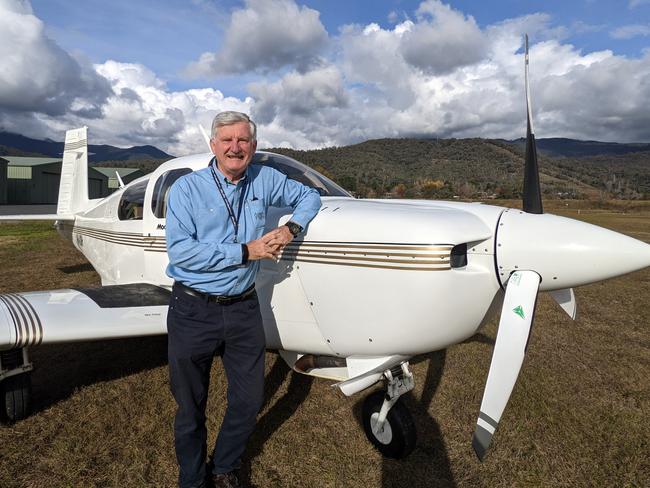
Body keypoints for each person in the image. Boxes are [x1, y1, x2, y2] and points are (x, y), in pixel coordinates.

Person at [165, 111, 321, 488]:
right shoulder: (187, 190)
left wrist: (291, 228)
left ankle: (224, 467)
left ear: (253, 145)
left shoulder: (265, 179)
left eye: (244, 140)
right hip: (193, 309)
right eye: (227, 140)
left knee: (249, 401)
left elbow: (310, 195)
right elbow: (181, 252)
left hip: (244, 308)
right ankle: (192, 477)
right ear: (213, 145)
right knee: (190, 407)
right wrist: (245, 252)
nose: (236, 147)